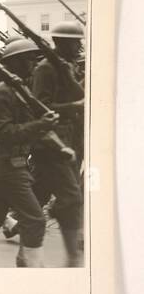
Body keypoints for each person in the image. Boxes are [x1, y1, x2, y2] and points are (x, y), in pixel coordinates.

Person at [0, 39, 66, 267]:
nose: (34, 64)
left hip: (12, 163)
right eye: (28, 60)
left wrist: (55, 144)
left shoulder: (19, 92)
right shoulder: (3, 95)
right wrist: (40, 124)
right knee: (35, 220)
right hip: (8, 165)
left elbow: (27, 127)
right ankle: (32, 273)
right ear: (15, 63)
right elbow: (5, 133)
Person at [30, 22, 85, 264]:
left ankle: (26, 252)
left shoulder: (65, 67)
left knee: (39, 194)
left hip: (68, 137)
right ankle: (72, 258)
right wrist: (73, 107)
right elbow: (39, 108)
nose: (80, 46)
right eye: (76, 42)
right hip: (51, 141)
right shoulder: (46, 69)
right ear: (62, 43)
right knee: (71, 196)